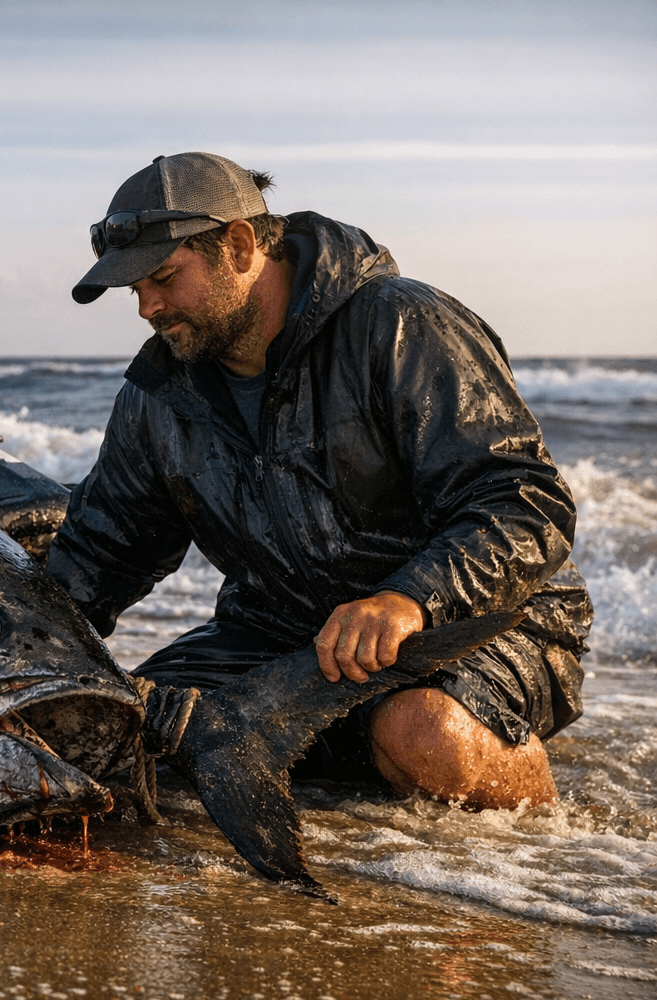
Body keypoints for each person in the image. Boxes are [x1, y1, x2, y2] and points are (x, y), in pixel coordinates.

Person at [49, 152, 593, 809]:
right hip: (280, 637)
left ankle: (543, 842)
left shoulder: (399, 324)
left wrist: (408, 599)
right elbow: (101, 553)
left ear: (241, 244)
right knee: (97, 741)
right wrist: (11, 652)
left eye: (163, 277)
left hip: (480, 626)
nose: (148, 308)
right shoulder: (160, 392)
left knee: (424, 736)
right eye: (134, 290)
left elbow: (524, 504)